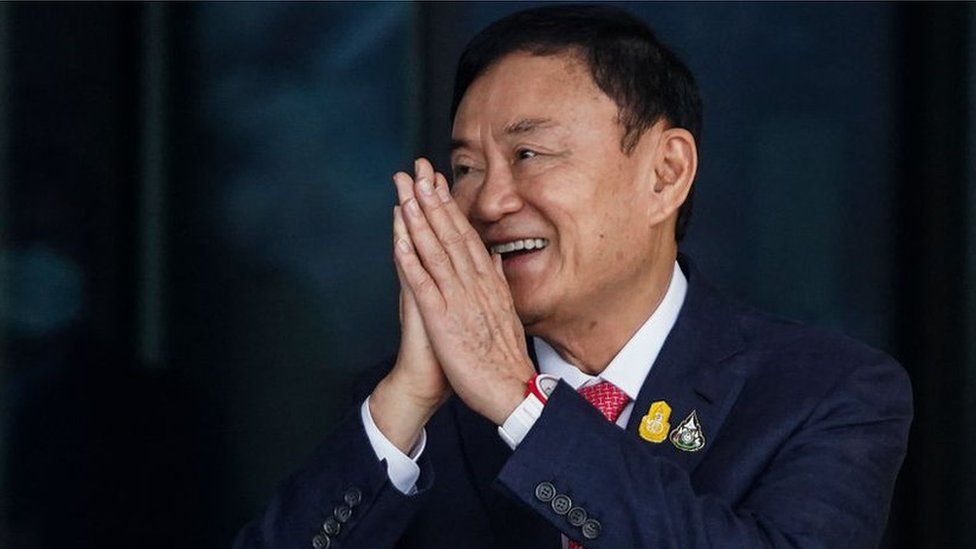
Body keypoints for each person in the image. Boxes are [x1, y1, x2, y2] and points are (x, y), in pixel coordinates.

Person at [235, 5, 912, 548]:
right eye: (466, 167)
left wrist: (520, 401)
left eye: (529, 154)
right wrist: (406, 401)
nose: (490, 201)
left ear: (665, 173)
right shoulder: (410, 409)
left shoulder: (827, 393)